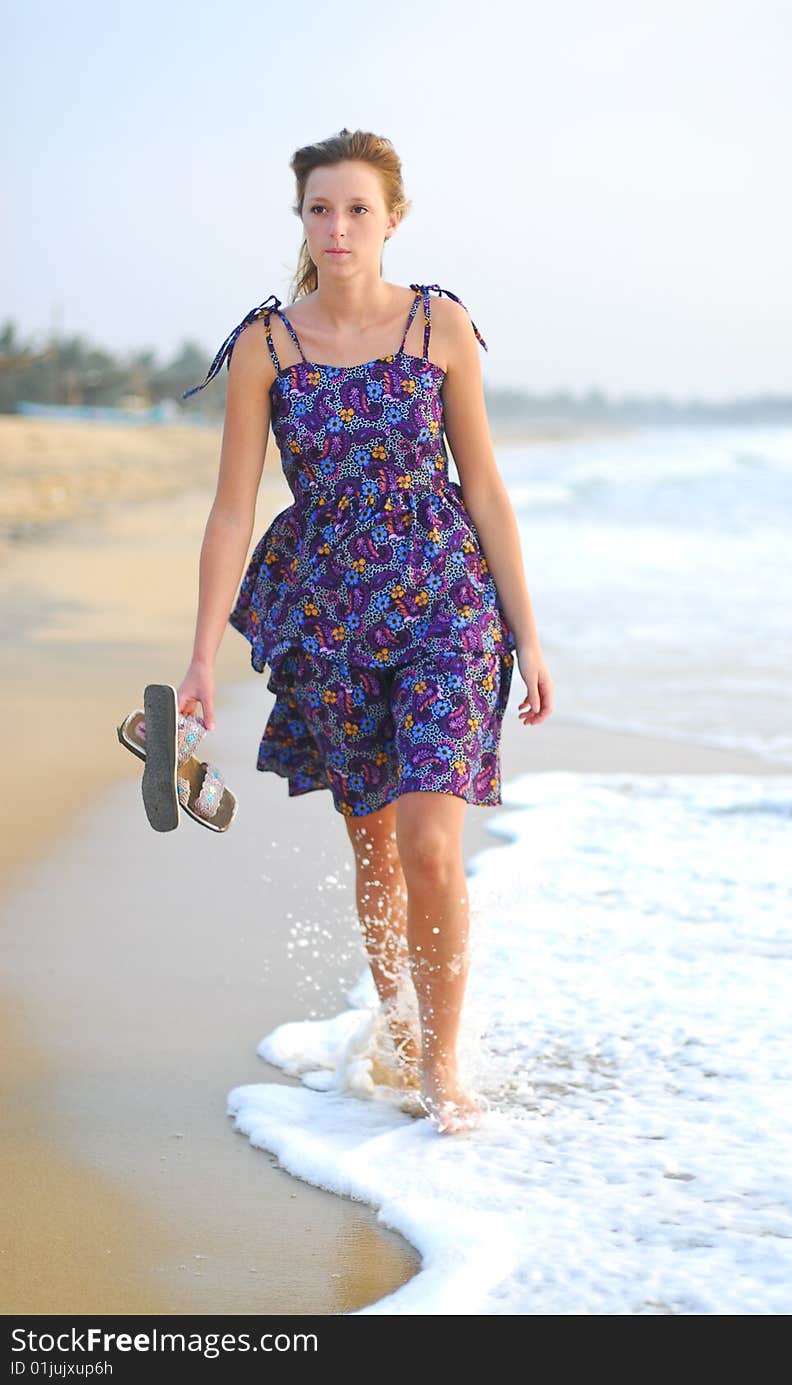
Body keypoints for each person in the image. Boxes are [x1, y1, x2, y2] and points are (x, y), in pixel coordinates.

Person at [179, 128, 553, 1133]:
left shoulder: (440, 326)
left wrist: (530, 632)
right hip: (329, 615)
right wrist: (201, 654)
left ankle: (442, 1069)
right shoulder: (267, 343)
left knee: (434, 843)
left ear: (393, 218)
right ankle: (391, 1022)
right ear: (300, 218)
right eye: (318, 209)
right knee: (377, 847)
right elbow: (230, 509)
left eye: (356, 208)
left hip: (446, 604)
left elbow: (483, 485)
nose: (337, 227)